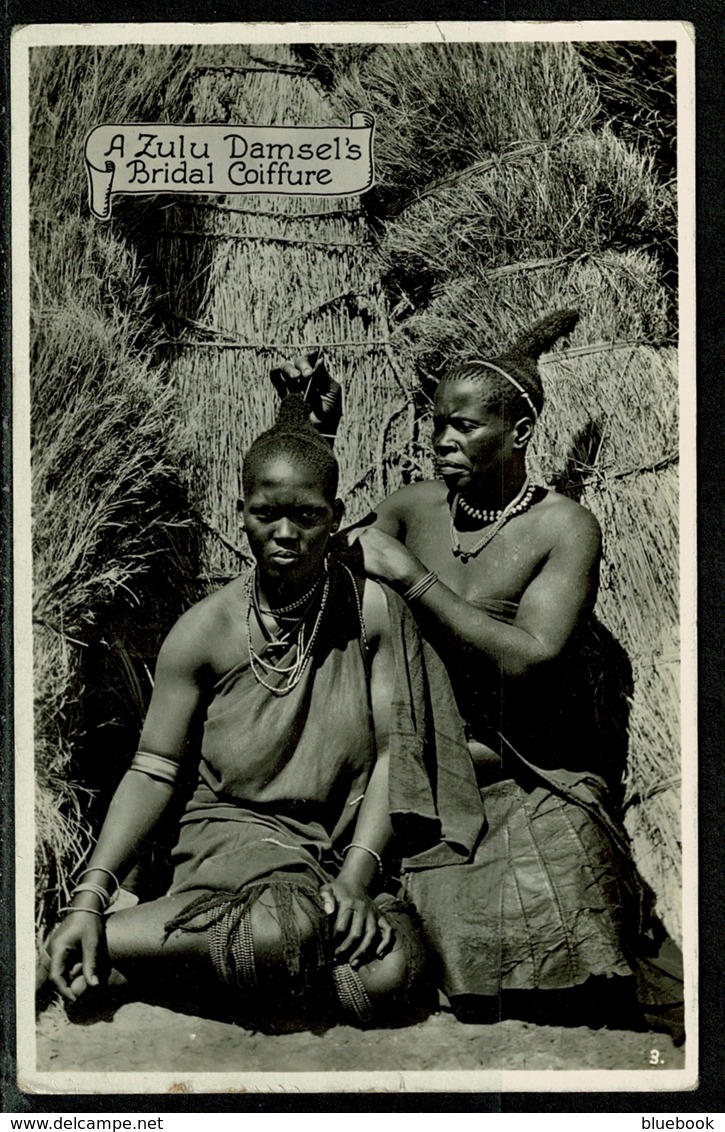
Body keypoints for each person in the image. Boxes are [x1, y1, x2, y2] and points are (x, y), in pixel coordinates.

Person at [275, 312, 684, 1031]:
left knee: (568, 930)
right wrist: (314, 437)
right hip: (410, 773)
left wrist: (412, 581)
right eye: (438, 423)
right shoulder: (411, 508)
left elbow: (531, 653)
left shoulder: (564, 527)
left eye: (464, 426)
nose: (441, 440)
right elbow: (300, 556)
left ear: (519, 435)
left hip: (522, 775)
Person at [42, 395, 424, 1027]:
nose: (285, 533)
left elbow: (392, 755)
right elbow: (154, 771)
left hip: (332, 850)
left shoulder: (372, 613)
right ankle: (97, 939)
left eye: (306, 515)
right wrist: (88, 896)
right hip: (233, 839)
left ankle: (148, 958)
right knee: (285, 932)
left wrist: (356, 880)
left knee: (389, 973)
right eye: (266, 513)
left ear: (338, 517)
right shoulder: (204, 633)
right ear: (240, 513)